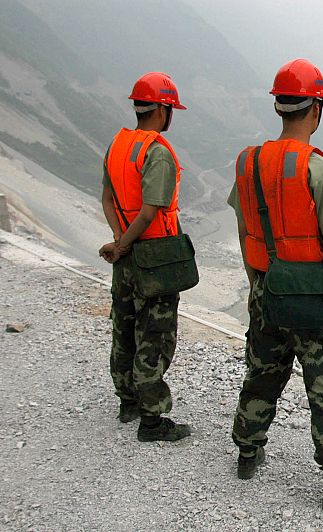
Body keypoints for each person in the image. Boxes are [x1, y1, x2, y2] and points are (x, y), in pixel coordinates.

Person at [228, 59, 323, 512]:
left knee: (261, 375)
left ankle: (247, 453)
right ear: (316, 108)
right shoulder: (321, 170)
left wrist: (259, 279)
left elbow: (243, 228)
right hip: (314, 301)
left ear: (279, 107)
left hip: (266, 292)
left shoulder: (248, 162)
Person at [98, 72, 191, 442]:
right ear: (164, 110)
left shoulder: (117, 145)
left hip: (125, 257)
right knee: (155, 334)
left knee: (123, 328)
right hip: (155, 258)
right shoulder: (156, 153)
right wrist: (126, 244)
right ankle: (152, 420)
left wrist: (119, 240)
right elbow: (152, 209)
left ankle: (127, 401)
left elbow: (107, 198)